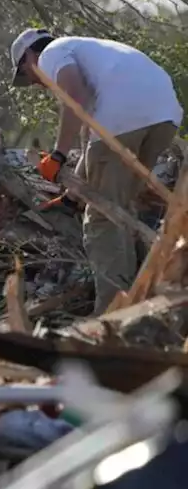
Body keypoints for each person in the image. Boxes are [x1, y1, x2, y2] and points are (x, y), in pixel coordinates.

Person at [11, 28, 184, 313]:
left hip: (125, 118)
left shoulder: (52, 53)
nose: (36, 83)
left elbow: (73, 100)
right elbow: (93, 140)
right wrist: (73, 193)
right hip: (164, 115)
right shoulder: (93, 54)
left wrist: (58, 155)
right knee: (121, 208)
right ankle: (147, 299)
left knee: (102, 219)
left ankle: (112, 313)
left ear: (29, 57)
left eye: (28, 77)